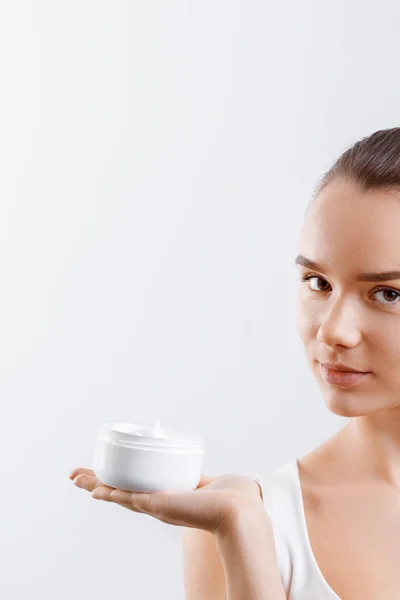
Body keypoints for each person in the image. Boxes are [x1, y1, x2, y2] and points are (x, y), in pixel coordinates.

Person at [69, 126, 400, 600]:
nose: (332, 331)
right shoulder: (247, 518)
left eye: (388, 293)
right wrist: (240, 533)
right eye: (317, 282)